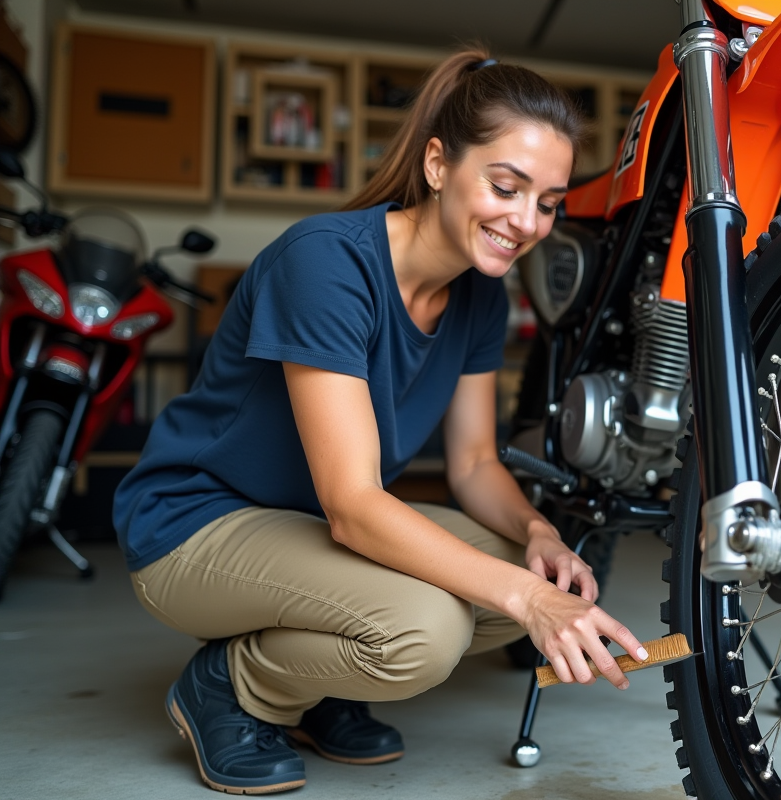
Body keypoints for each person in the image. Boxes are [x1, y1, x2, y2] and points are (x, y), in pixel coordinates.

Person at [112, 48, 646, 795]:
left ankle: (316, 685)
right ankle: (232, 686)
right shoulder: (327, 263)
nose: (526, 222)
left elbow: (473, 466)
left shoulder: (481, 297)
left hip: (306, 529)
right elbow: (355, 507)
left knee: (509, 571)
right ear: (437, 164)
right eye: (505, 186)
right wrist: (527, 598)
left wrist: (539, 537)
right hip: (196, 525)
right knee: (428, 631)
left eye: (548, 202)